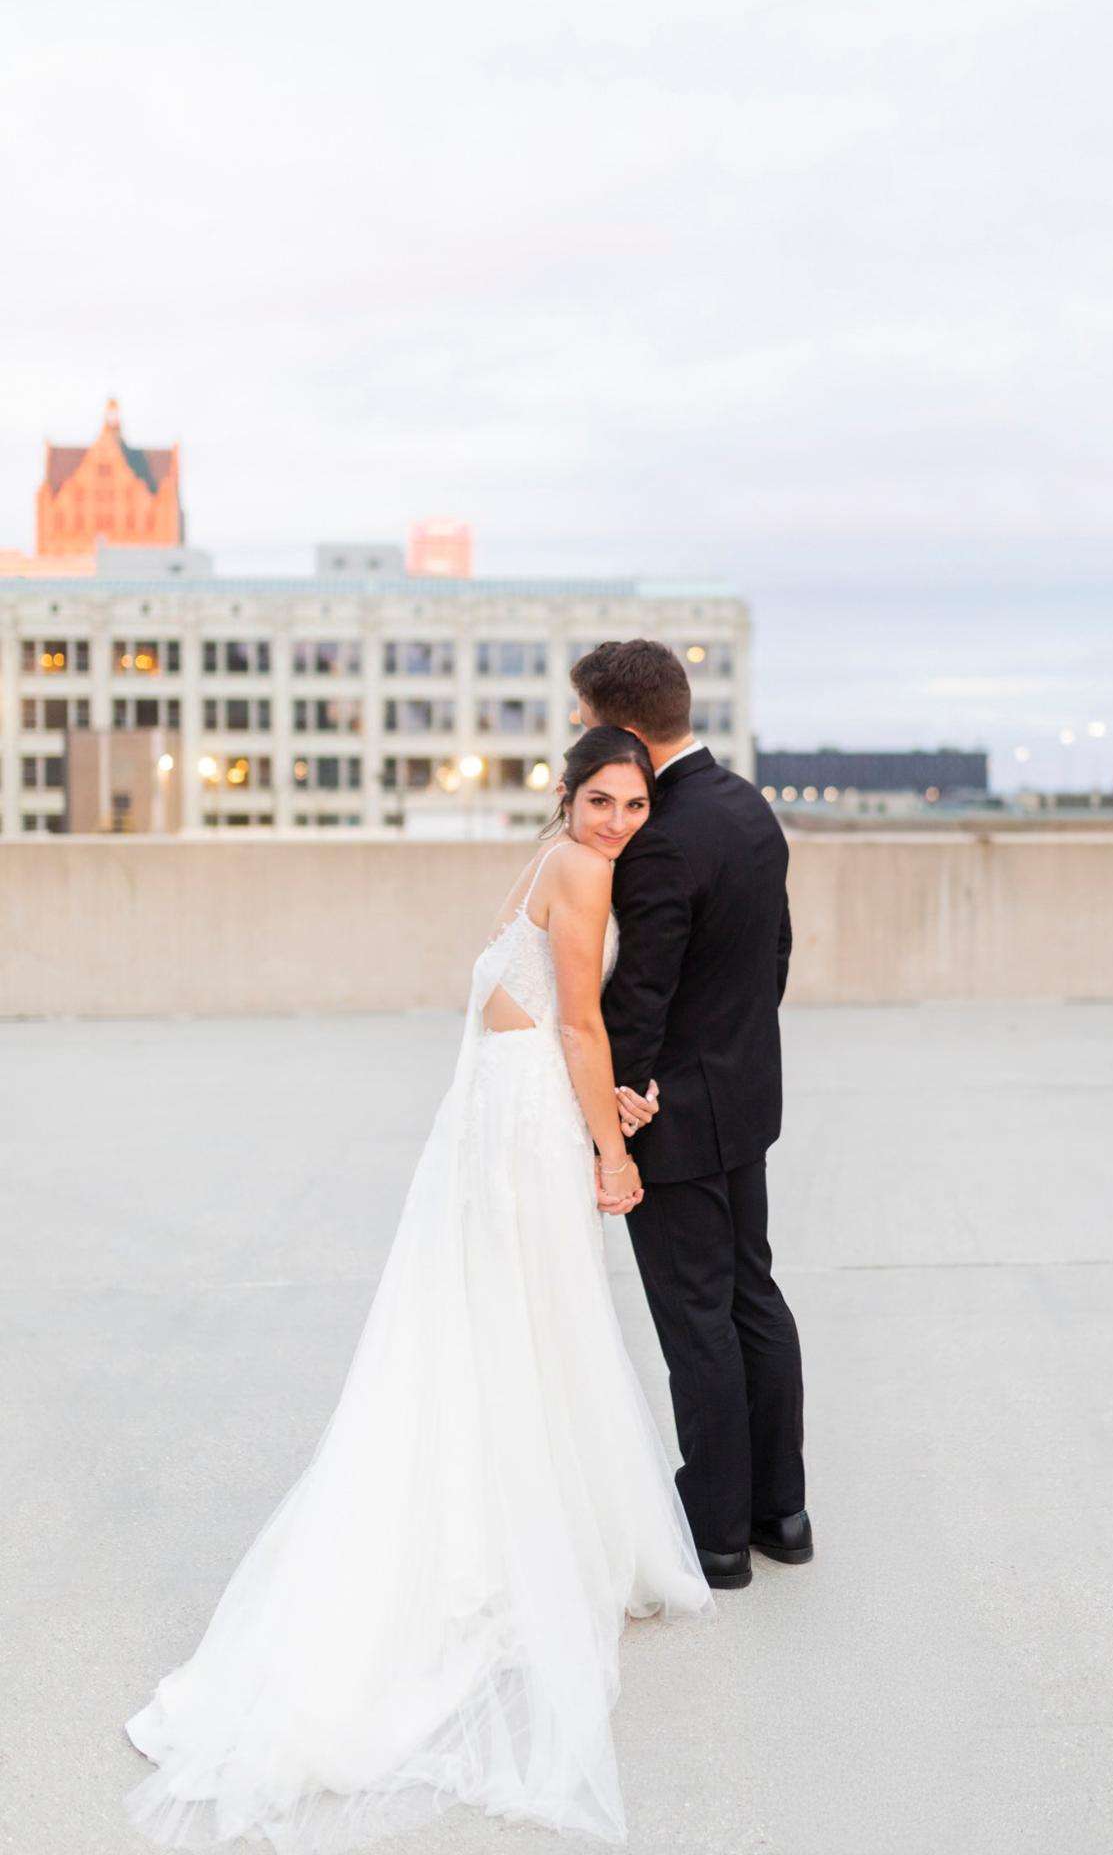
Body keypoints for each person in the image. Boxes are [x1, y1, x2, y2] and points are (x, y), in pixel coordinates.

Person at [123, 725, 713, 1853]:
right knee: (542, 1329)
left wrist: (600, 1102)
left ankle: (519, 1515)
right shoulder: (584, 870)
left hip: (499, 1111)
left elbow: (532, 1012)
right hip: (531, 1125)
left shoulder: (545, 858)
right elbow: (582, 1021)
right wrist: (614, 1148)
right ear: (569, 791)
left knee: (504, 1330)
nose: (617, 823)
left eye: (635, 806)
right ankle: (528, 1542)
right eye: (601, 799)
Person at [571, 640, 811, 1591]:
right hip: (744, 1095)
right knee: (752, 1297)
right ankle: (779, 1514)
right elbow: (773, 955)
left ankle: (714, 1533)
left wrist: (615, 1107)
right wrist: (730, 1053)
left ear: (620, 727)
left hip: (669, 1116)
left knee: (695, 1321)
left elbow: (638, 998)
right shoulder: (745, 803)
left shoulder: (662, 833)